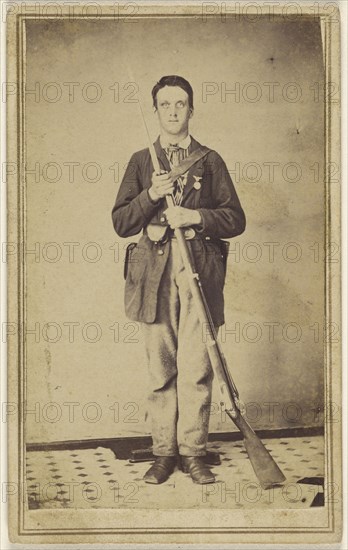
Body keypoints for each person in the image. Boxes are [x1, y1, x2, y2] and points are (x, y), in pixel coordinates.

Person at [111, 75, 246, 485]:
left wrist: (195, 217)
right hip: (154, 276)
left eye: (180, 104)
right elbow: (120, 222)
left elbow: (235, 219)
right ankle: (163, 454)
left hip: (199, 273)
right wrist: (151, 195)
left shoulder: (210, 160)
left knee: (197, 369)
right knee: (161, 371)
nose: (173, 112)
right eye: (165, 105)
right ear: (156, 111)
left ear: (191, 110)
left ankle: (193, 453)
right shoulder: (141, 161)